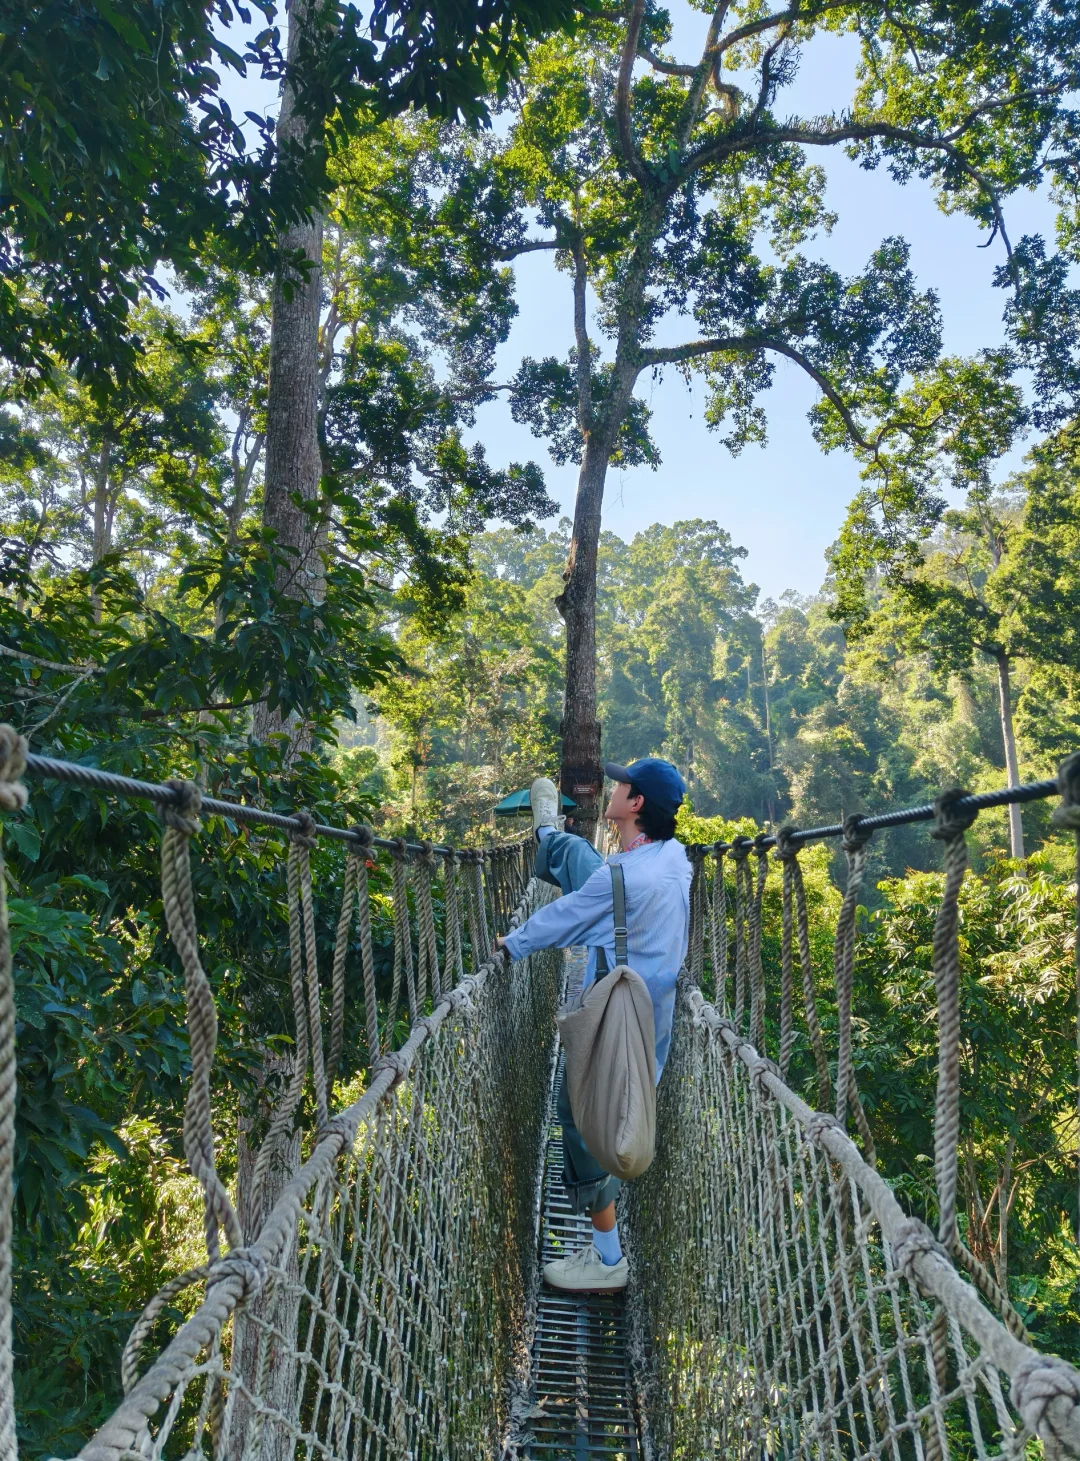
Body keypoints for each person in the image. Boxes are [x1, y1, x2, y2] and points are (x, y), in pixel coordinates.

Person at [496, 759, 691, 1293]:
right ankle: (547, 833)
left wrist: (512, 944)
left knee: (580, 1115)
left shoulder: (623, 877)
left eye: (622, 784)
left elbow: (568, 918)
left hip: (621, 1014)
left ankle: (608, 1261)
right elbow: (604, 887)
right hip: (649, 989)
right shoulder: (673, 857)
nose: (613, 785)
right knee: (579, 854)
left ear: (635, 805)